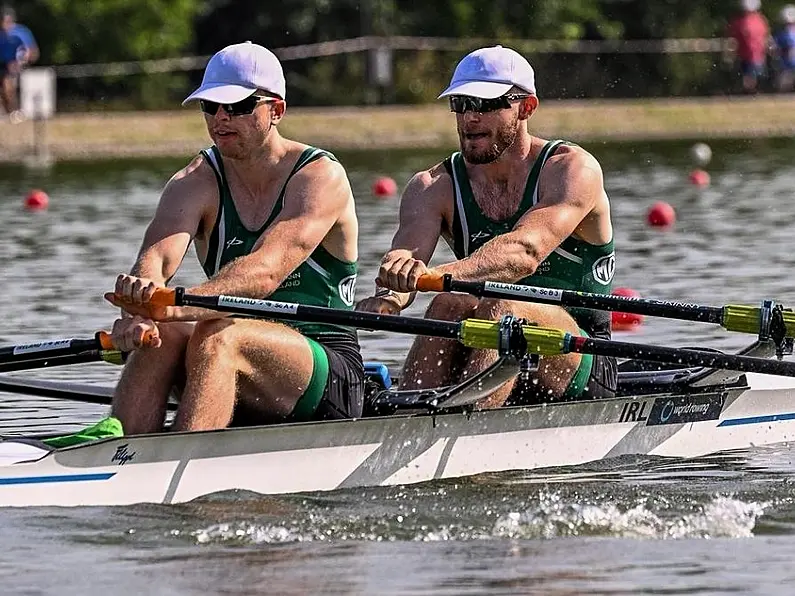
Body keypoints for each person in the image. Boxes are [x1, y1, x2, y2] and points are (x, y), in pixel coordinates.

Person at [101, 41, 364, 436]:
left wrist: (176, 307)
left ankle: (182, 464)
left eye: (238, 107)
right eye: (211, 106)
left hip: (325, 368)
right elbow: (156, 258)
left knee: (217, 332)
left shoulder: (319, 177)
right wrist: (141, 309)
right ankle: (123, 452)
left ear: (276, 110)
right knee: (164, 334)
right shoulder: (194, 181)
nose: (221, 118)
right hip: (229, 358)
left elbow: (265, 273)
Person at [357, 46, 616, 408]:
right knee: (449, 302)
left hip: (581, 356)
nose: (470, 118)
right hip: (491, 345)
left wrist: (437, 274)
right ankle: (406, 414)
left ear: (526, 107)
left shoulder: (571, 170)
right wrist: (391, 294)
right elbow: (409, 255)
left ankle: (466, 427)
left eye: (485, 104)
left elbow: (524, 253)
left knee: (500, 301)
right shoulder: (433, 186)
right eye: (461, 104)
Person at [0, 5, 38, 123]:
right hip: (4, 65)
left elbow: (32, 52)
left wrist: (22, 60)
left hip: (17, 66)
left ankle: (14, 111)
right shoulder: (2, 34)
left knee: (9, 86)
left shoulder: (20, 32)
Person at [727, 0, 771, 94]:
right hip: (754, 55)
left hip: (749, 55)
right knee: (752, 77)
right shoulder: (761, 21)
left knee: (749, 77)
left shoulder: (740, 22)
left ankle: (750, 92)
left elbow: (733, 39)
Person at [773, 5, 795, 91]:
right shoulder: (781, 34)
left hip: (786, 66)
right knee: (784, 87)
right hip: (785, 67)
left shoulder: (782, 34)